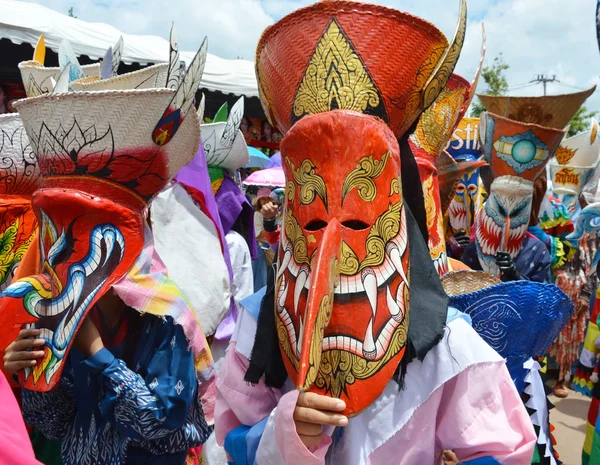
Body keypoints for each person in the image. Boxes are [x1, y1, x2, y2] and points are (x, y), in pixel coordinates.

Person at [216, 2, 535, 463]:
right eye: (311, 220)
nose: (333, 252)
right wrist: (286, 431)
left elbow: (503, 450)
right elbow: (229, 434)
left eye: (359, 220)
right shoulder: (255, 328)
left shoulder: (447, 345)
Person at [0, 31, 214, 465]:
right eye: (57, 228)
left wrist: (93, 350)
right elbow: (56, 425)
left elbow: (161, 420)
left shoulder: (164, 320)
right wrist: (28, 372)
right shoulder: (57, 308)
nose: (64, 249)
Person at [461, 111, 565, 283]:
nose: (507, 219)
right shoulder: (473, 250)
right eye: (500, 208)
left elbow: (542, 298)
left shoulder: (536, 250)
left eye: (518, 208)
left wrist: (515, 276)